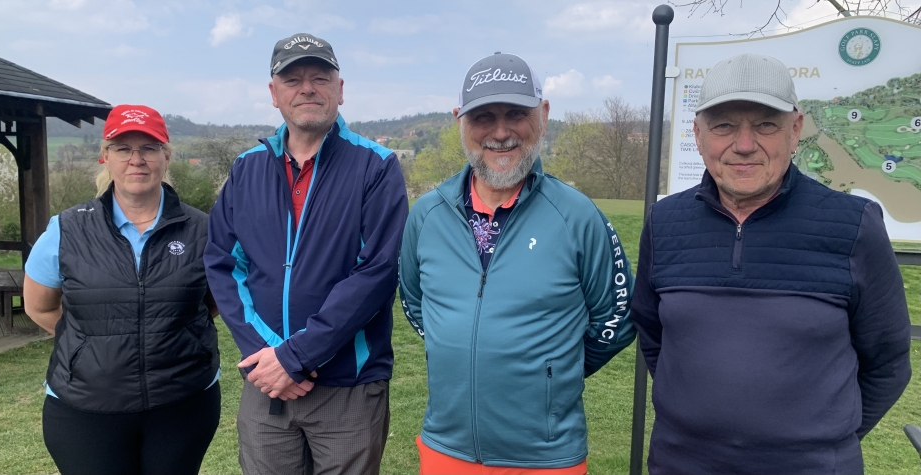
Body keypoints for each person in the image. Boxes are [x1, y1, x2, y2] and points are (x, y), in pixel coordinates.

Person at [631, 53, 912, 475]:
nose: (744, 145)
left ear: (795, 129)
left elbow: (887, 361)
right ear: (698, 134)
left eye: (765, 124)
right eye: (724, 126)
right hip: (680, 463)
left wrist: (823, 441)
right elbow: (654, 335)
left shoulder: (853, 225)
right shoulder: (665, 222)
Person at [398, 52, 636, 474]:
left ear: (543, 115)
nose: (501, 132)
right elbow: (416, 304)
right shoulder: (427, 215)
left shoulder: (577, 215)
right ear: (459, 121)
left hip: (546, 457)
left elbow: (617, 316)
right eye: (483, 117)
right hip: (445, 448)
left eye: (516, 114)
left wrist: (553, 372)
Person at [204, 33, 407, 475]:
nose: (307, 89)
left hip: (348, 385)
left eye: (320, 77)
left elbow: (376, 273)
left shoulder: (376, 166)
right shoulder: (247, 168)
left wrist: (296, 357)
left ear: (340, 89)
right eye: (293, 79)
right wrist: (269, 356)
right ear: (274, 92)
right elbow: (223, 263)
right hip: (266, 382)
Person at [22, 104, 221, 475]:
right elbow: (39, 306)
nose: (136, 159)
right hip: (85, 409)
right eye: (123, 148)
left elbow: (209, 302)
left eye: (148, 148)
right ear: (106, 156)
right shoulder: (66, 229)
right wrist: (89, 343)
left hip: (182, 403)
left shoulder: (203, 230)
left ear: (166, 156)